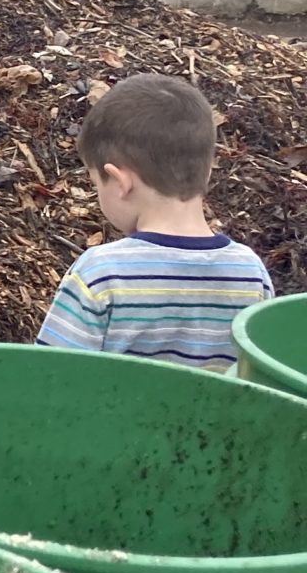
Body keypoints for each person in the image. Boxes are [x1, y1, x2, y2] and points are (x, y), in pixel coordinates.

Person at [37, 72, 271, 370]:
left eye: (97, 182)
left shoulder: (102, 273)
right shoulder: (251, 273)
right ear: (208, 171)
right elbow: (257, 377)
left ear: (121, 182)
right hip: (219, 418)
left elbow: (50, 377)